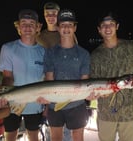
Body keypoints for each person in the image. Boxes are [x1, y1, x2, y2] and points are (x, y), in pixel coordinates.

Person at [90, 11, 133, 141]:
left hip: (129, 111)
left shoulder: (132, 47)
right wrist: (98, 93)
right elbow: (94, 84)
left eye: (111, 24)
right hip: (105, 112)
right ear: (99, 29)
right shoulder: (95, 55)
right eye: (104, 25)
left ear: (117, 26)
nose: (108, 28)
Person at [40, 9, 91, 141]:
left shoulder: (84, 54)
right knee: (56, 138)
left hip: (77, 104)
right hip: (54, 104)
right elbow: (49, 79)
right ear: (58, 28)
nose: (66, 28)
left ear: (75, 27)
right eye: (63, 25)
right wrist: (46, 102)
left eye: (70, 24)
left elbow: (84, 81)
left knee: (78, 137)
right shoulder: (50, 53)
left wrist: (89, 94)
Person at [0, 9, 45, 141]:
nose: (28, 27)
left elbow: (45, 80)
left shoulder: (44, 52)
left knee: (33, 136)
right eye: (24, 23)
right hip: (13, 104)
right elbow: (7, 77)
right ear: (18, 26)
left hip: (35, 104)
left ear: (38, 27)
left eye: (32, 23)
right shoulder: (8, 48)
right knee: (11, 135)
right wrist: (3, 96)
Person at [37, 2, 73, 141]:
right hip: (43, 87)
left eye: (54, 14)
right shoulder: (39, 36)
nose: (51, 17)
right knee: (48, 131)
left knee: (65, 131)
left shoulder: (66, 33)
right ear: (44, 16)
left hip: (63, 89)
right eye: (47, 14)